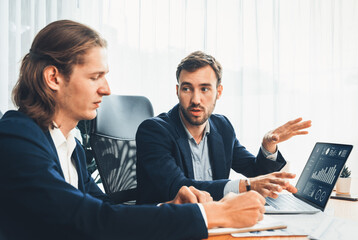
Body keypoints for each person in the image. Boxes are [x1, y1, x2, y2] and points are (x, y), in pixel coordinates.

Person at [0, 20, 268, 240]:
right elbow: (89, 220)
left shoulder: (71, 147)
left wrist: (167, 209)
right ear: (54, 78)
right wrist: (212, 214)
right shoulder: (17, 138)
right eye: (95, 77)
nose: (106, 89)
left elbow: (106, 208)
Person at [136, 51, 311, 204]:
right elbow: (177, 187)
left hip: (216, 221)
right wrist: (246, 185)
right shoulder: (153, 131)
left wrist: (268, 146)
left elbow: (256, 173)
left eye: (204, 89)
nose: (196, 99)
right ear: (177, 91)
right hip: (168, 225)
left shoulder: (222, 127)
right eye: (187, 88)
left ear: (218, 92)